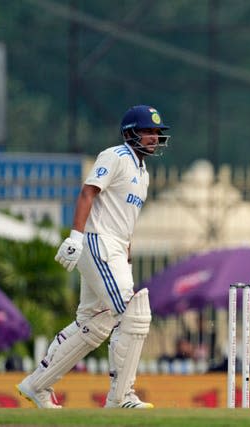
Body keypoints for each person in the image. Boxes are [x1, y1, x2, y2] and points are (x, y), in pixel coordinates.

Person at [16, 105, 171, 409]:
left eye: (156, 132)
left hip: (116, 249)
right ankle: (121, 397)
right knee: (133, 313)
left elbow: (125, 219)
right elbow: (89, 192)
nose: (154, 137)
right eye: (147, 131)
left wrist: (126, 253)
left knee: (93, 324)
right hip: (98, 243)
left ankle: (36, 385)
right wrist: (75, 237)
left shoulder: (143, 173)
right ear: (130, 133)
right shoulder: (115, 156)